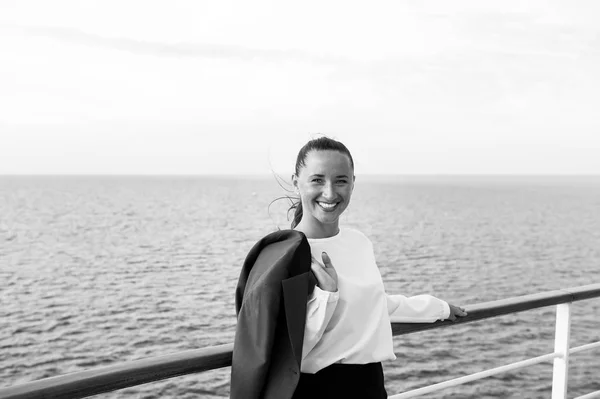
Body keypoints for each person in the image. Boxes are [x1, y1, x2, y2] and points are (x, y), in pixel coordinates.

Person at [230, 137, 467, 399]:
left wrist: (439, 308)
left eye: (341, 180)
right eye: (317, 180)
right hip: (314, 391)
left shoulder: (358, 242)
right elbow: (283, 350)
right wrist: (327, 296)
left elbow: (373, 304)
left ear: (353, 183)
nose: (330, 193)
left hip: (369, 385)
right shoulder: (285, 255)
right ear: (296, 182)